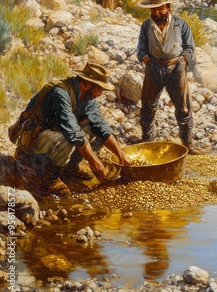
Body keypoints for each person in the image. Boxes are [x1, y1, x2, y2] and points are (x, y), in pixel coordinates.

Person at [8, 62, 130, 197]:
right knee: (68, 139)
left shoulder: (87, 97)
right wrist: (93, 160)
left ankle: (70, 169)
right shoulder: (59, 93)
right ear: (87, 84)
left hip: (52, 134)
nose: (101, 93)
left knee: (93, 128)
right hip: (33, 139)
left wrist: (120, 153)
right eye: (100, 89)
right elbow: (71, 129)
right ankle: (50, 181)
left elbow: (100, 124)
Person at [136, 0, 201, 154]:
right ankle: (148, 139)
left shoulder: (181, 24)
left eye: (160, 8)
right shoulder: (146, 25)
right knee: (148, 105)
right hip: (154, 67)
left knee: (183, 106)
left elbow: (189, 47)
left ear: (168, 8)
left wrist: (183, 60)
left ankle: (187, 143)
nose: (157, 12)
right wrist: (147, 61)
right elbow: (141, 49)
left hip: (176, 68)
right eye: (154, 9)